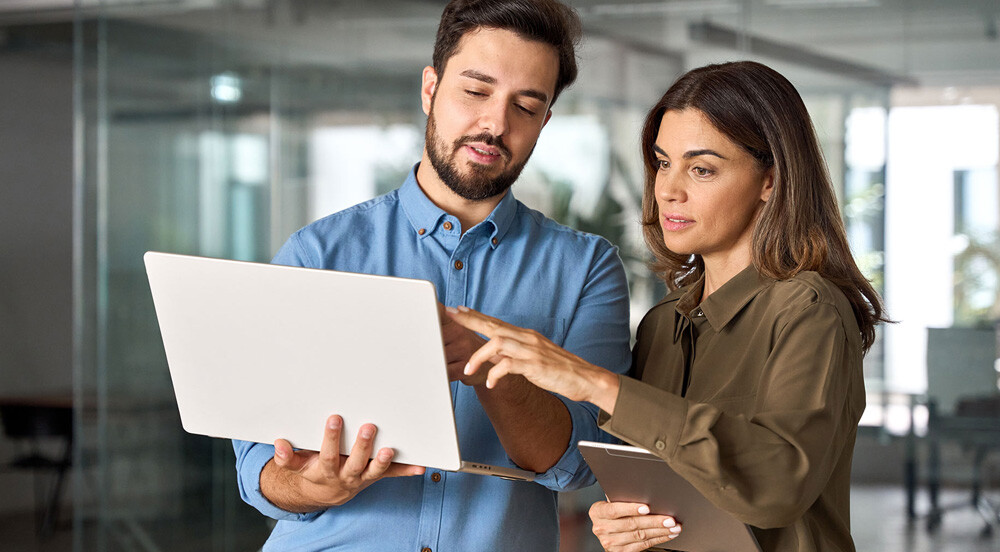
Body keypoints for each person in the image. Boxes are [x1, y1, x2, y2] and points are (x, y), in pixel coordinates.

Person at [232, 1, 632, 551]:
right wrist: (309, 485)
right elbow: (257, 466)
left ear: (544, 120)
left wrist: (486, 365)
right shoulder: (317, 252)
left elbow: (581, 463)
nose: (496, 123)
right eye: (476, 91)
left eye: (527, 105)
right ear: (430, 88)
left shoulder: (587, 267)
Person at [449, 60, 888, 552]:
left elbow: (777, 485)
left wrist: (594, 382)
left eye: (701, 169)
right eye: (662, 162)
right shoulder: (662, 325)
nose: (667, 190)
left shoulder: (808, 309)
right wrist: (622, 521)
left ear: (771, 181)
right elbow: (662, 491)